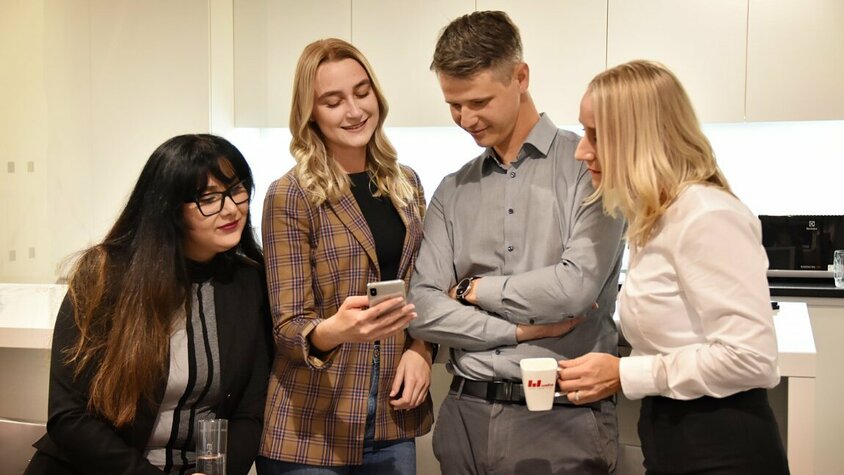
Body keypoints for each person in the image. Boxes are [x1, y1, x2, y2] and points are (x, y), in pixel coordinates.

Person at [407, 11, 626, 475]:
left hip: (563, 417)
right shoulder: (452, 189)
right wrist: (521, 331)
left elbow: (573, 290)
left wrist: (472, 291)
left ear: (520, 77)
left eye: (479, 101)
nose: (465, 118)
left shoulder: (590, 167)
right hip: (464, 415)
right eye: (454, 104)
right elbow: (423, 307)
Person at [557, 60, 790, 474]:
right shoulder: (654, 217)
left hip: (723, 450)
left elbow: (752, 358)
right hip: (673, 442)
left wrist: (625, 373)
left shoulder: (705, 214)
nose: (580, 150)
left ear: (638, 138)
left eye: (595, 135)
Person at [24, 134, 272, 475]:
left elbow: (250, 412)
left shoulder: (249, 283)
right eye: (208, 198)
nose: (231, 208)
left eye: (237, 189)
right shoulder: (104, 276)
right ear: (168, 209)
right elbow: (69, 416)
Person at [257, 38, 433, 474]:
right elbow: (287, 328)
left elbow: (427, 289)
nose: (354, 111)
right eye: (333, 102)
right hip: (312, 428)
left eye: (361, 92)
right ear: (310, 113)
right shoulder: (291, 194)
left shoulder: (405, 183)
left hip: (392, 419)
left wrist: (423, 350)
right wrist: (333, 330)